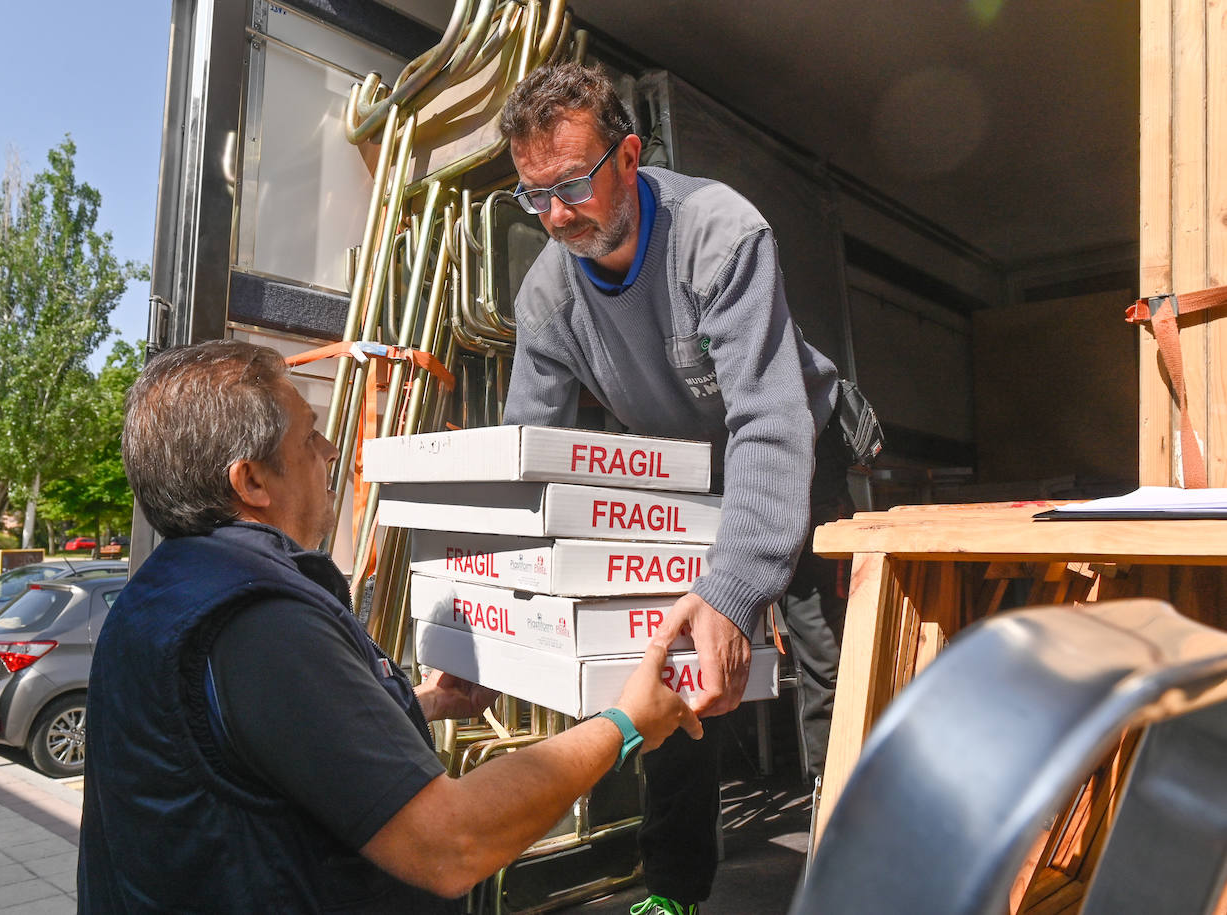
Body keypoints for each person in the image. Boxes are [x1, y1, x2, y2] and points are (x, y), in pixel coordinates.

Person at [77, 339, 702, 913]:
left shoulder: (163, 594)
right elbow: (450, 844)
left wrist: (421, 704)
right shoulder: (258, 623)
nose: (329, 452)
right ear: (252, 480)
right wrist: (623, 724)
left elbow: (272, 753)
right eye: (309, 437)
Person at [499, 63, 853, 914]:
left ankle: (855, 874)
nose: (555, 215)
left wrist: (733, 593)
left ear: (628, 156)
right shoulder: (547, 293)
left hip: (796, 445)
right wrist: (505, 607)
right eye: (533, 195)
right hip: (678, 470)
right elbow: (526, 451)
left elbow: (769, 423)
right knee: (673, 664)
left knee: (831, 662)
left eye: (574, 185)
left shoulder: (720, 234)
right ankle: (673, 889)